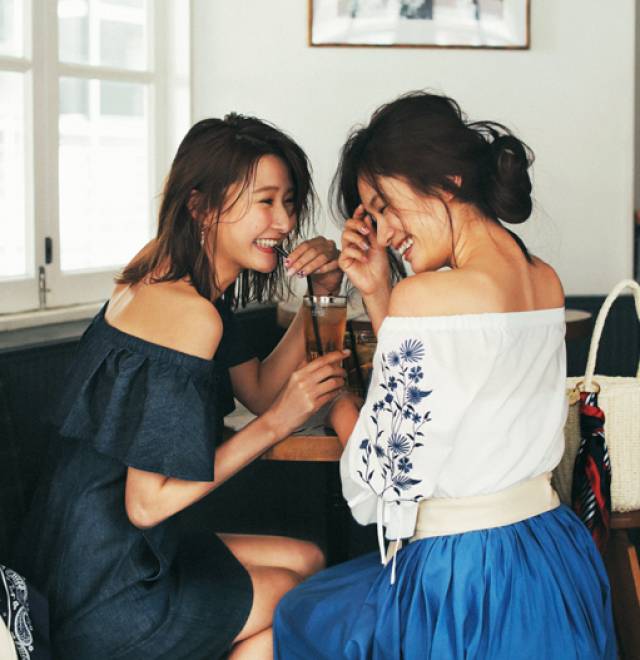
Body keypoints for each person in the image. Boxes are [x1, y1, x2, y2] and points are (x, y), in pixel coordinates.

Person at [273, 92, 616, 659]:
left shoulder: (428, 296)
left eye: (385, 206)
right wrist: (379, 291)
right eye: (372, 217)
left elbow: (383, 485)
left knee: (302, 615)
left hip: (468, 575)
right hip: (551, 555)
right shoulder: (544, 280)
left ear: (449, 181)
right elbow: (454, 379)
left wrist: (335, 404)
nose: (384, 234)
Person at [13, 114, 350, 659]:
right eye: (265, 201)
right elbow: (147, 504)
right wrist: (276, 425)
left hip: (81, 553)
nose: (285, 221)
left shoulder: (172, 273)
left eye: (289, 202)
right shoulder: (188, 314)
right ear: (201, 206)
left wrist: (321, 291)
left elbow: (260, 389)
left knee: (308, 560)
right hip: (107, 583)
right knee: (293, 603)